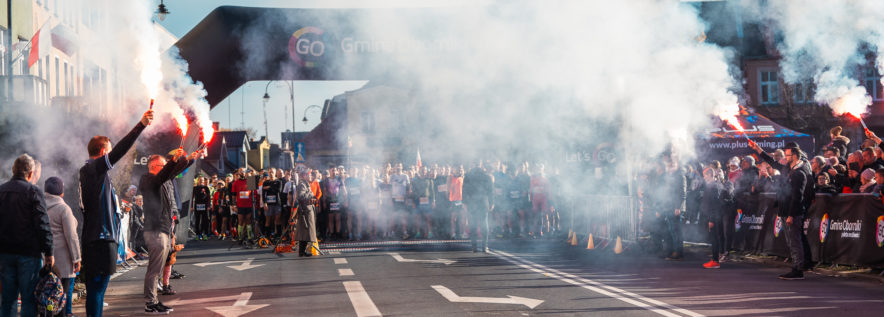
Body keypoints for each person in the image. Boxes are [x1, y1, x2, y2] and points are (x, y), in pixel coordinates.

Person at [78, 110, 152, 317]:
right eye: (108, 151)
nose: (111, 155)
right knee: (97, 288)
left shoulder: (93, 172)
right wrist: (141, 125)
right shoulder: (93, 168)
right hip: (99, 239)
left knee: (99, 289)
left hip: (100, 238)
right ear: (103, 152)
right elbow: (121, 150)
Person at [140, 149, 197, 314]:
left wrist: (189, 159)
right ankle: (150, 302)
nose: (166, 168)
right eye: (164, 165)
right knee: (154, 269)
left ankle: (154, 300)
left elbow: (174, 171)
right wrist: (173, 161)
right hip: (155, 230)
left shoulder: (162, 179)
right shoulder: (148, 179)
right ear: (155, 166)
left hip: (164, 229)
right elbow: (165, 174)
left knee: (157, 269)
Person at [749, 140, 813, 280]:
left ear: (795, 155)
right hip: (785, 210)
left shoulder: (799, 173)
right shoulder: (788, 169)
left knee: (795, 241)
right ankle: (797, 266)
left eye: (788, 155)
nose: (786, 158)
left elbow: (797, 196)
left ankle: (798, 269)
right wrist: (758, 149)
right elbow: (773, 162)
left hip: (793, 212)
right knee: (791, 241)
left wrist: (791, 215)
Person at [0, 154, 53, 317]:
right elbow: (42, 223)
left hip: (4, 253)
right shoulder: (33, 191)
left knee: (7, 300)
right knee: (29, 300)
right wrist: (49, 251)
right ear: (30, 173)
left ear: (13, 170)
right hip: (29, 254)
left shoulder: (1, 190)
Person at [44, 177, 81, 317]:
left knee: (47, 297)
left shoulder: (39, 206)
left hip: (44, 260)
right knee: (61, 297)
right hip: (63, 262)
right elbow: (71, 235)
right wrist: (76, 258)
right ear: (61, 192)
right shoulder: (63, 208)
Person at [463, 161, 494, 252]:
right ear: (481, 165)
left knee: (473, 223)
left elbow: (464, 190)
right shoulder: (487, 176)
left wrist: (464, 202)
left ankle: (474, 247)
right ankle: (484, 247)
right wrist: (492, 203)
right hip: (483, 202)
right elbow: (491, 192)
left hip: (472, 201)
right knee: (484, 223)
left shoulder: (468, 176)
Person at [699, 167, 727, 269]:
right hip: (713, 216)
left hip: (714, 217)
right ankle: (715, 259)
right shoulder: (713, 185)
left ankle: (715, 261)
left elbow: (715, 204)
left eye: (705, 175)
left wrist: (711, 220)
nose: (704, 177)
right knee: (714, 238)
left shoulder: (714, 186)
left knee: (714, 238)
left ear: (710, 175)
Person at [295, 170, 319, 257]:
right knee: (304, 231)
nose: (310, 177)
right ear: (304, 176)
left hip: (308, 209)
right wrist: (310, 195)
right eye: (309, 175)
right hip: (305, 210)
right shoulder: (302, 184)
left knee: (306, 231)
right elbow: (301, 196)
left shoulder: (306, 184)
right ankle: (301, 251)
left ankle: (302, 251)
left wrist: (313, 197)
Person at [261, 168, 283, 238]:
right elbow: (263, 193)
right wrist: (264, 203)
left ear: (275, 173)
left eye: (272, 172)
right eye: (270, 172)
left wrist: (269, 187)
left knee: (277, 219)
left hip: (277, 203)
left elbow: (278, 191)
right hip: (268, 204)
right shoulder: (265, 182)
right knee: (268, 220)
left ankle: (278, 235)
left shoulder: (279, 182)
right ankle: (268, 236)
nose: (271, 174)